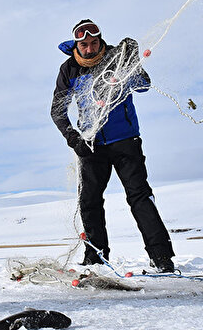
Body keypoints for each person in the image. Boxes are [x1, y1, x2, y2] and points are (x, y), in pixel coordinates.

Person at [51, 19, 175, 272]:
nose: (89, 48)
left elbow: (143, 86)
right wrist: (73, 138)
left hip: (126, 141)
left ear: (101, 40)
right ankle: (96, 257)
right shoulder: (69, 69)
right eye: (84, 44)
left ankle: (161, 257)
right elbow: (57, 110)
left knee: (140, 197)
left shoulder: (116, 58)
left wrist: (133, 62)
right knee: (89, 201)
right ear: (77, 44)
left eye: (94, 42)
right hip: (90, 145)